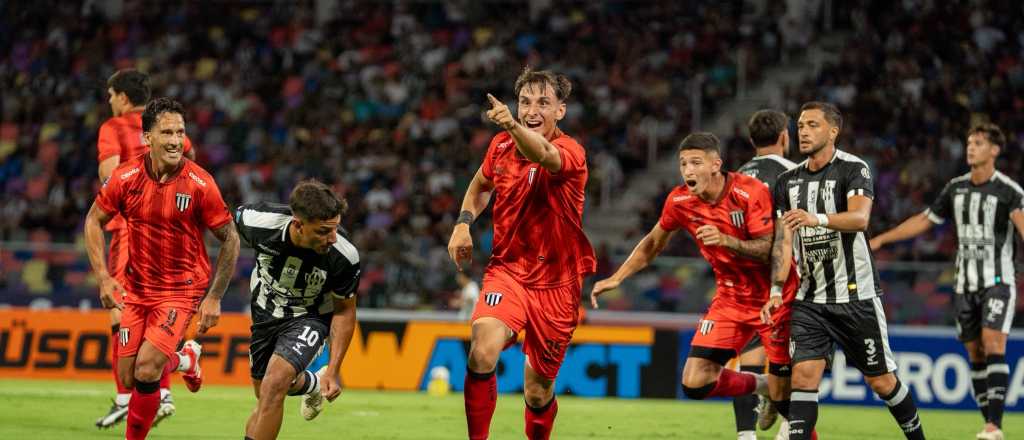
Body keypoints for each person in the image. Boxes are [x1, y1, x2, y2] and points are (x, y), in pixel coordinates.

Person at [591, 132, 800, 438]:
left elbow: (771, 247)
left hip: (774, 296)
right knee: (695, 381)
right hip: (730, 298)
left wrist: (727, 240)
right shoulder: (679, 200)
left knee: (788, 406)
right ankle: (763, 386)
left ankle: (779, 394)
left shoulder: (749, 192)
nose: (688, 170)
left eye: (696, 163)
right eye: (683, 163)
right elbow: (652, 244)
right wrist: (617, 277)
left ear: (716, 164)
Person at [448, 67, 595, 440]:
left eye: (543, 103)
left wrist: (514, 126)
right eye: (525, 101)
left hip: (558, 285)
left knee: (537, 389)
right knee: (482, 350)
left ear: (560, 110)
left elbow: (544, 153)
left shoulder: (571, 152)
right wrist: (463, 222)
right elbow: (481, 184)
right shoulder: (499, 145)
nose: (532, 109)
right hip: (508, 271)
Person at [765, 102, 925, 439]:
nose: (803, 132)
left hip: (856, 296)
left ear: (833, 131)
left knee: (881, 381)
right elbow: (782, 241)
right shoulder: (786, 182)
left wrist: (816, 218)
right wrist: (777, 290)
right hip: (810, 299)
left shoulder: (854, 169)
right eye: (800, 126)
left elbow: (860, 219)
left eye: (812, 125)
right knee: (804, 377)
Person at [83, 97, 240, 440]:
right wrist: (105, 278)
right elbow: (94, 220)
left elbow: (231, 239)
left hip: (182, 288)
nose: (175, 140)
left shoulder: (200, 183)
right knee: (128, 377)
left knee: (147, 367)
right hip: (137, 290)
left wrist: (214, 297)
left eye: (180, 132)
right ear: (147, 138)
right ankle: (186, 360)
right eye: (166, 132)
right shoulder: (126, 177)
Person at [870, 122, 1021, 440]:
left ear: (994, 150)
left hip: (998, 280)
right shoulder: (956, 188)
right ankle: (988, 424)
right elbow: (925, 220)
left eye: (978, 143)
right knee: (975, 353)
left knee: (993, 343)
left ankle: (994, 425)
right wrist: (883, 239)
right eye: (969, 142)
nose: (970, 147)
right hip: (964, 284)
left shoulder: (1009, 191)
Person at [94, 69, 196, 429]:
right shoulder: (165, 126)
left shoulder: (115, 127)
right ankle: (161, 389)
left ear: (122, 96)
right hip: (171, 233)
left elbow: (110, 178)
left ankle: (130, 397)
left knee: (120, 312)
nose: (109, 102)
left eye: (110, 95)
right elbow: (189, 164)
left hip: (130, 230)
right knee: (157, 307)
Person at [236, 179, 361, 440]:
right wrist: (214, 293)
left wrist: (334, 369)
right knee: (264, 395)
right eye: (323, 231)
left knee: (274, 386)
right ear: (298, 225)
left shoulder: (344, 254)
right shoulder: (256, 221)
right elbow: (223, 232)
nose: (332, 238)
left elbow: (345, 311)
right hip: (264, 312)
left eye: (335, 228)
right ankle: (311, 384)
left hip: (310, 315)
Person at [734, 109, 799, 440]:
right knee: (792, 357)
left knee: (748, 358)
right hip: (785, 275)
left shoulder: (734, 178)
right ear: (785, 136)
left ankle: (745, 436)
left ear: (751, 140)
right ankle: (788, 425)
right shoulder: (795, 173)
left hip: (744, 278)